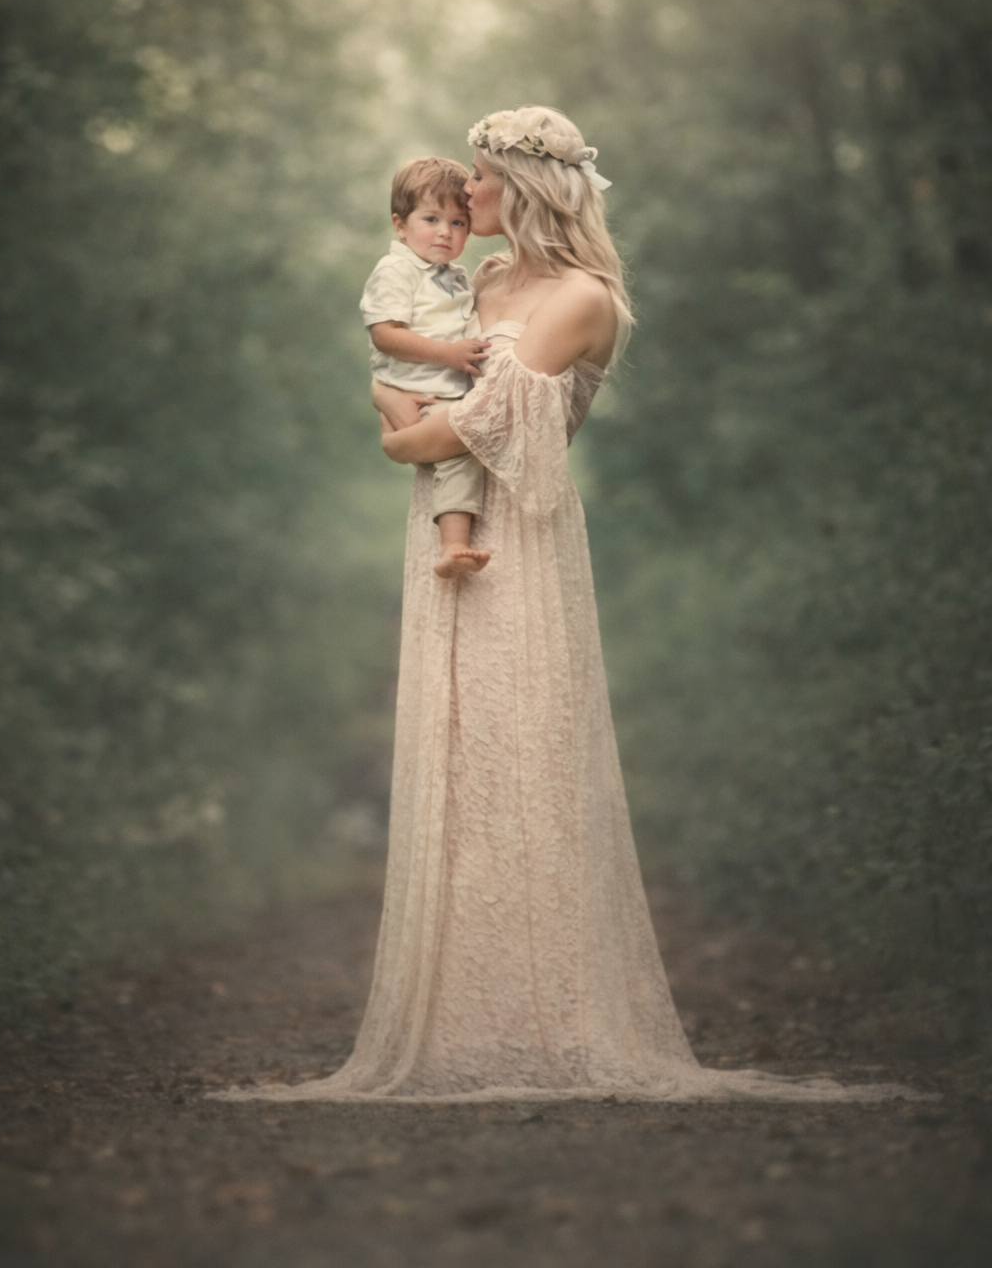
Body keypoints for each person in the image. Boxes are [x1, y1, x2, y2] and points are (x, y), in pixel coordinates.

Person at [212, 107, 911, 1105]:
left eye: (479, 185)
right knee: (456, 755)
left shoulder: (584, 297)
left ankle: (545, 1018)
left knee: (517, 751)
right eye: (457, 193)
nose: (464, 201)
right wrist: (409, 415)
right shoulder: (484, 281)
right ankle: (460, 1016)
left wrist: (403, 434)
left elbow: (465, 427)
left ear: (525, 189)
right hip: (447, 533)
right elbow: (408, 373)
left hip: (518, 542)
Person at [360, 156, 492, 578]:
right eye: (431, 218)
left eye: (458, 223)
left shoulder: (454, 275)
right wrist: (448, 354)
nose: (444, 232)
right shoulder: (396, 269)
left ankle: (453, 538)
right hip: (416, 386)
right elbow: (385, 334)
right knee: (459, 455)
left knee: (456, 449)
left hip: (442, 384)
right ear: (399, 224)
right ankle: (454, 546)